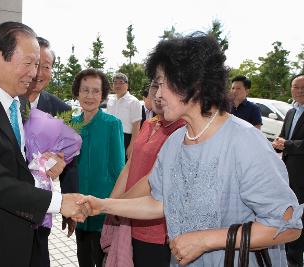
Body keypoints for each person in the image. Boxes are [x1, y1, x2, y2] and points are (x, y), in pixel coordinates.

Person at [80, 34, 302, 267]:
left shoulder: (245, 142)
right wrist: (103, 205)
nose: (157, 94)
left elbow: (288, 226)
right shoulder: (175, 141)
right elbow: (160, 202)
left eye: (162, 83)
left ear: (193, 83)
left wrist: (206, 240)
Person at [0, 21, 87, 267]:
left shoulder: (17, 105)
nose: (34, 73)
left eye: (39, 65)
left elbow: (14, 163)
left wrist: (44, 164)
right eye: (29, 63)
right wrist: (59, 203)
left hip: (23, 237)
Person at [108, 82, 185, 267]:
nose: (158, 94)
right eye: (154, 87)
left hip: (155, 227)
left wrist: (117, 206)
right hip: (128, 217)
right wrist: (113, 203)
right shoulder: (149, 123)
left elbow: (153, 179)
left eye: (165, 87)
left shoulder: (181, 129)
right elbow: (130, 165)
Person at [20, 36, 78, 267]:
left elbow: (70, 165)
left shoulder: (60, 109)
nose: (39, 72)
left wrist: (68, 208)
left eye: (46, 66)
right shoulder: (8, 103)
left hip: (42, 207)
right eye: (35, 64)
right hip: (6, 205)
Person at [71, 68, 125, 267]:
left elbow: (119, 169)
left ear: (103, 95)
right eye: (85, 90)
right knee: (82, 258)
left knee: (101, 259)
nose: (90, 96)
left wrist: (116, 207)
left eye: (95, 91)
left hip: (102, 209)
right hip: (78, 205)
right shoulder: (71, 123)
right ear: (77, 92)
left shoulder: (112, 124)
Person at [272, 74, 304, 267]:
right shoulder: (291, 112)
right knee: (290, 216)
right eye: (295, 87)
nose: (299, 91)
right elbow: (283, 137)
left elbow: (290, 143)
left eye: (303, 87)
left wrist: (288, 145)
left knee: (298, 220)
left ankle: (295, 261)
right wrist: (276, 144)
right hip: (288, 175)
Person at [107, 73, 142, 160]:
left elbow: (136, 126)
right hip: (109, 137)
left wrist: (132, 146)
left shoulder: (134, 102)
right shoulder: (110, 100)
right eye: (115, 82)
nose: (118, 85)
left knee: (122, 166)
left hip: (125, 139)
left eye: (121, 82)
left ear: (127, 85)